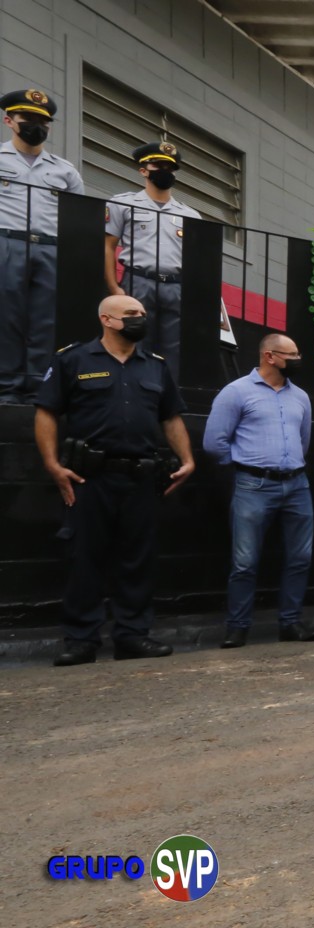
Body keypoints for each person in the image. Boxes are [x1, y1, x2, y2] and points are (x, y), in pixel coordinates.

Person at [35, 295, 194, 666]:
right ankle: (81, 640)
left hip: (141, 477)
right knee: (84, 558)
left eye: (142, 313)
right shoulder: (73, 359)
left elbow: (170, 417)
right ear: (106, 319)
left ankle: (132, 636)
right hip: (89, 477)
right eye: (131, 314)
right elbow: (46, 412)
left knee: (137, 560)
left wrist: (187, 459)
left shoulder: (154, 366)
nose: (140, 318)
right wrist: (52, 465)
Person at [202, 333, 314, 647]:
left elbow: (303, 440)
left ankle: (290, 623)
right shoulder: (236, 392)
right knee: (245, 561)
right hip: (253, 484)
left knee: (300, 557)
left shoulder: (301, 397)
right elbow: (214, 442)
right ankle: (238, 627)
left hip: (297, 484)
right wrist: (245, 467)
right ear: (269, 356)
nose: (297, 360)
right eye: (291, 355)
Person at [1, 88, 84, 402]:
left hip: (51, 248)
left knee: (45, 320)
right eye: (28, 118)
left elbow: (77, 217)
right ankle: (6, 386)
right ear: (10, 120)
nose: (36, 125)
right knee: (6, 316)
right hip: (6, 242)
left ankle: (38, 386)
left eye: (43, 121)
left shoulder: (65, 170)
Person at [104, 142, 201, 382]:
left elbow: (197, 259)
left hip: (176, 285)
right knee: (135, 340)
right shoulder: (123, 203)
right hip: (138, 281)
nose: (164, 170)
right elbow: (108, 246)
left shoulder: (190, 215)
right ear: (143, 170)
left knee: (174, 347)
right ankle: (133, 391)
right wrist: (114, 287)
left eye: (170, 167)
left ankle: (166, 397)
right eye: (158, 165)